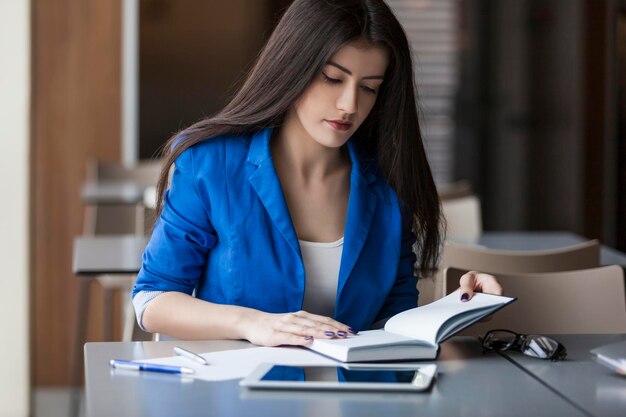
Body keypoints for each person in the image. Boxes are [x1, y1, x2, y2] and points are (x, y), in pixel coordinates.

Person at [132, 0, 503, 346]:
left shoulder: (389, 183)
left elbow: (393, 322)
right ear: (293, 68)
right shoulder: (210, 164)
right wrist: (252, 323)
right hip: (241, 393)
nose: (349, 105)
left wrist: (457, 307)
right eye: (332, 78)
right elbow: (152, 299)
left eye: (370, 88)